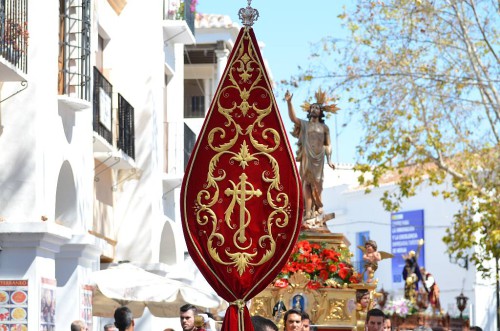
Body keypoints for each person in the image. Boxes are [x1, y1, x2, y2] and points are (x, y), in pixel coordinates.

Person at [285, 89, 337, 223]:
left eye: (317, 108)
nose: (314, 109)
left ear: (320, 112)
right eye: (312, 107)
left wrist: (329, 160)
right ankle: (308, 211)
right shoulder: (305, 124)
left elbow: (328, 144)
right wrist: (289, 103)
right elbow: (293, 118)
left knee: (318, 183)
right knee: (307, 183)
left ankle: (317, 207)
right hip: (307, 156)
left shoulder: (324, 128)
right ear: (309, 111)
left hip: (319, 158)